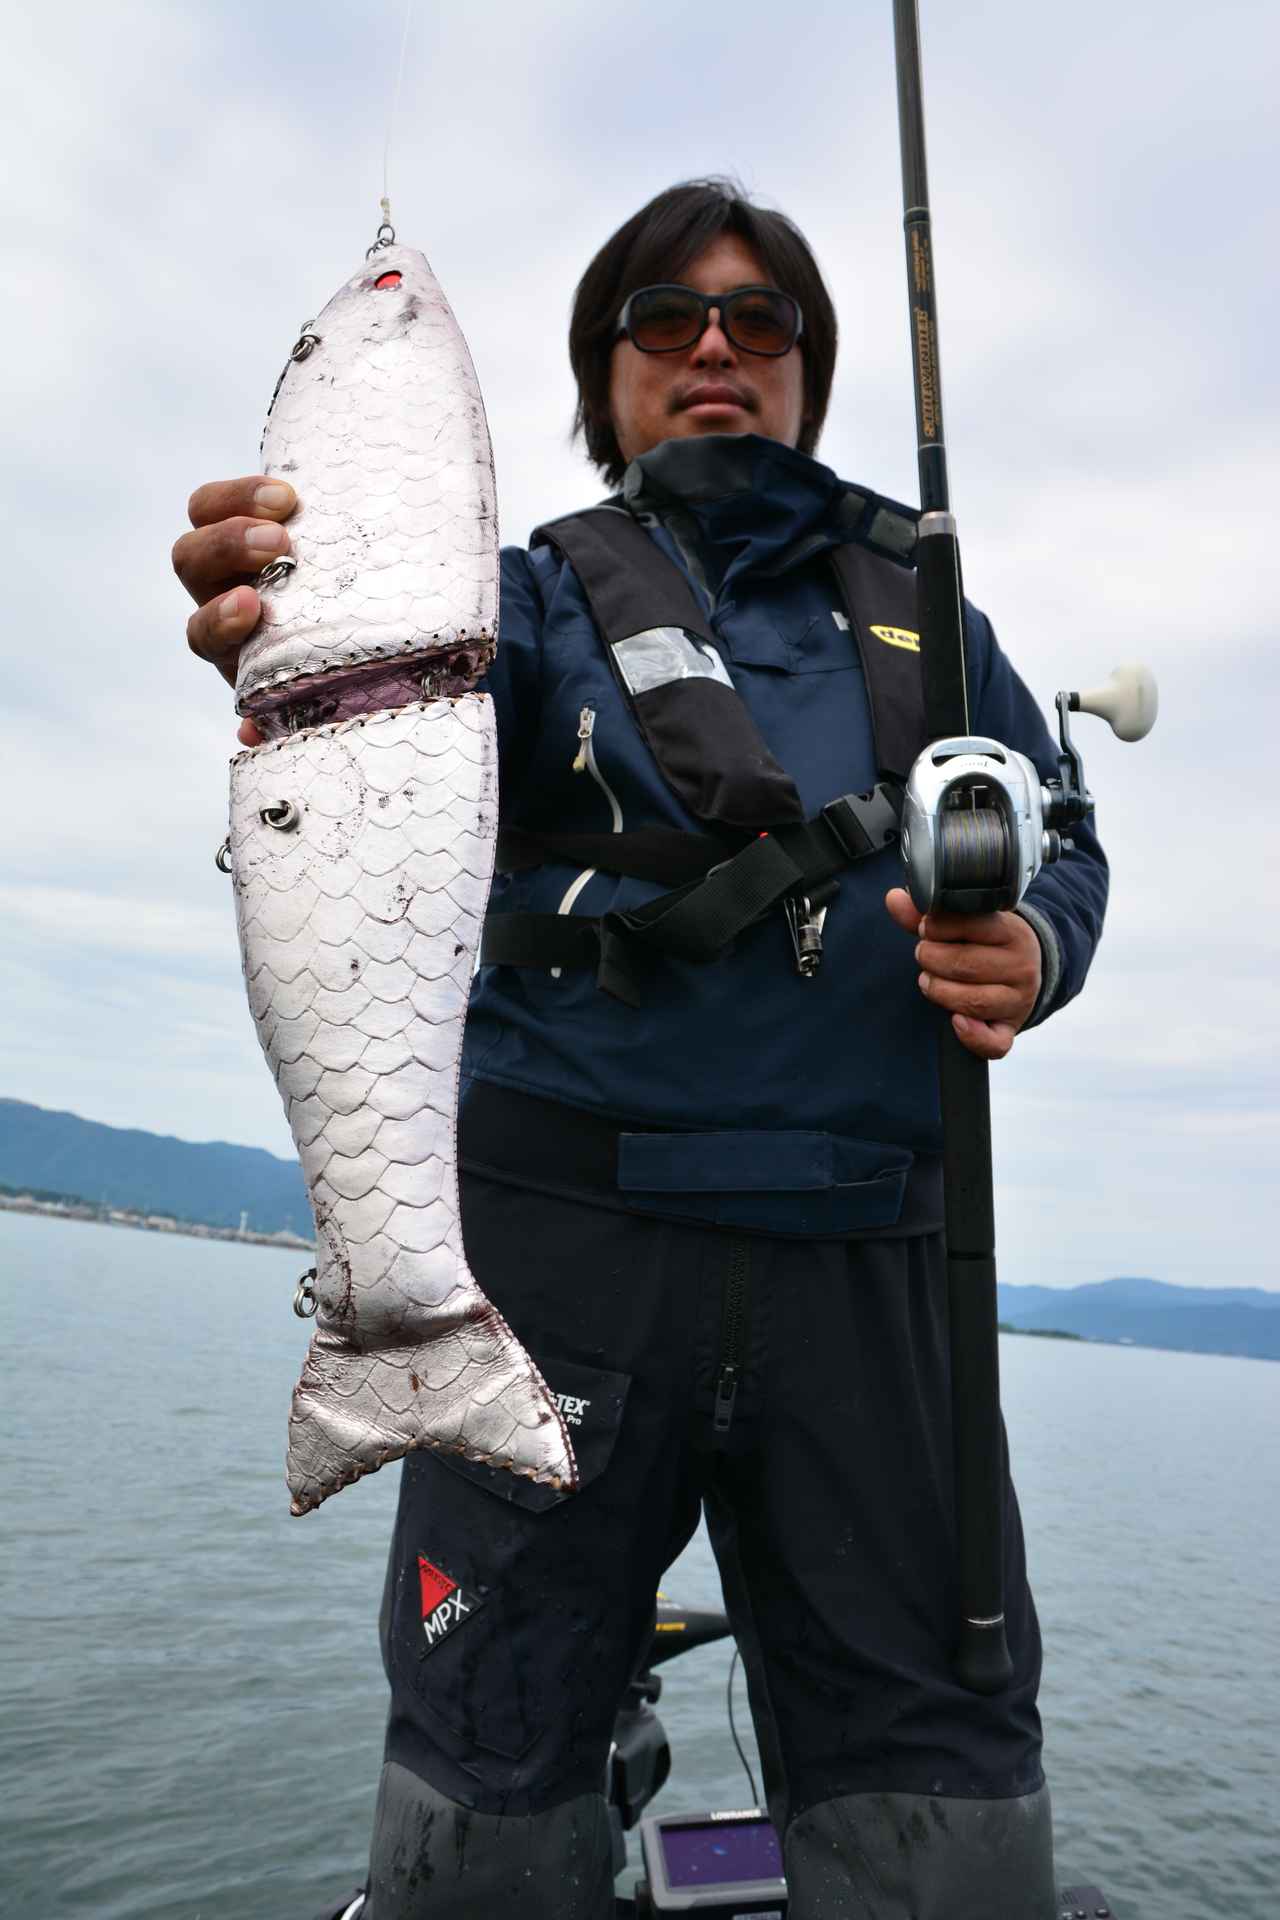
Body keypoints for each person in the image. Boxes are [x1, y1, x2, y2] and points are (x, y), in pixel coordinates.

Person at [174, 180, 1107, 1919]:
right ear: (603, 375)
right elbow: (371, 709)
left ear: (809, 369)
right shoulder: (513, 605)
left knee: (947, 1783)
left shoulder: (936, 608)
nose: (714, 352)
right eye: (664, 321)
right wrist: (279, 608)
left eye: (760, 323)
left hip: (879, 1273)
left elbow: (1065, 837)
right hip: (550, 1267)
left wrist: (1030, 940)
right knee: (488, 1757)